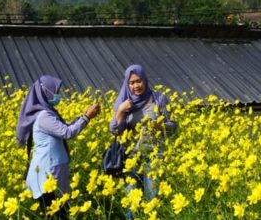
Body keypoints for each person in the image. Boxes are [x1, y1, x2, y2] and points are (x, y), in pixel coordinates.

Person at [16, 75, 100, 218]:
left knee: (59, 212)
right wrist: (87, 117)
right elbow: (67, 133)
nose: (58, 96)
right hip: (46, 174)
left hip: (51, 170)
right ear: (46, 92)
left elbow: (64, 128)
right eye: (55, 92)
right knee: (56, 213)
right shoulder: (44, 117)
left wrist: (83, 117)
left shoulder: (46, 113)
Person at [109, 64, 177, 204]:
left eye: (138, 81)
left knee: (153, 198)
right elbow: (115, 131)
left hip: (154, 156)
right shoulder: (124, 103)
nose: (136, 86)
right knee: (132, 201)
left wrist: (161, 126)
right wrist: (121, 111)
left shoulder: (159, 99)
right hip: (131, 157)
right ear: (127, 84)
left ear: (145, 80)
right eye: (132, 83)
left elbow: (174, 125)